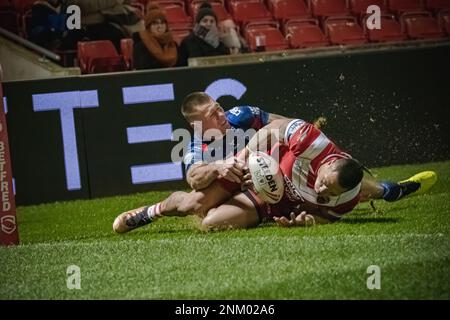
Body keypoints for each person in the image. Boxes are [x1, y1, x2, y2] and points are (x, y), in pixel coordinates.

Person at [112, 93, 437, 232]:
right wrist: (222, 167)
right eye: (213, 114)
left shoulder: (240, 115)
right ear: (198, 124)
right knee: (197, 205)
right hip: (236, 175)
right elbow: (195, 178)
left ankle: (388, 190)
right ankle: (149, 213)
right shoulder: (196, 145)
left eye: (219, 107)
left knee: (347, 183)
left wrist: (308, 139)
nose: (221, 114)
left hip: (267, 163)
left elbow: (277, 124)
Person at [133, 4, 178, 70]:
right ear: (148, 27)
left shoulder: (173, 45)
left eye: (162, 23)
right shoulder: (141, 47)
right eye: (155, 23)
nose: (160, 26)